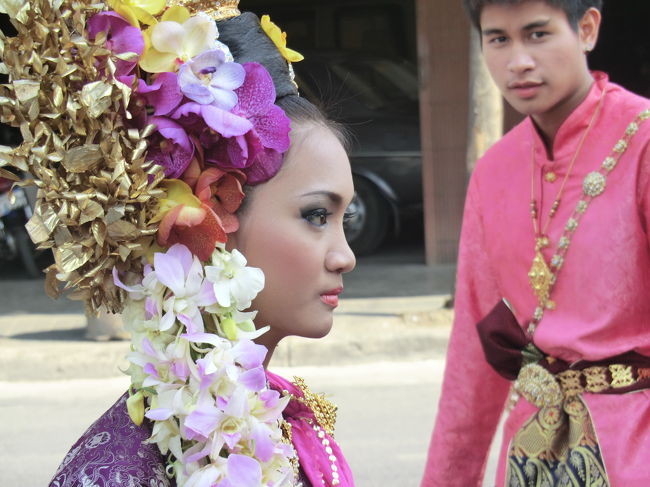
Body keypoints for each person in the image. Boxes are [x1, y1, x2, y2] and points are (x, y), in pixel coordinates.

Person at [0, 0, 355, 486]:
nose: (345, 256)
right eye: (316, 216)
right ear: (208, 216)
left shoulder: (296, 428)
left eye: (343, 218)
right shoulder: (115, 474)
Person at [421, 1, 650, 486]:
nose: (518, 61)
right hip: (529, 457)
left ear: (586, 29)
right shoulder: (494, 171)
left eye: (537, 34)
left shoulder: (643, 142)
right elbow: (473, 353)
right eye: (498, 39)